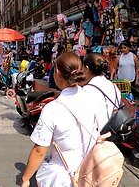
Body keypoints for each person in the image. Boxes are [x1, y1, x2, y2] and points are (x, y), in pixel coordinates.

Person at [20, 52, 98, 187]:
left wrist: (25, 178)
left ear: (56, 72)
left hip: (62, 175)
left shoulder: (53, 109)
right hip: (89, 170)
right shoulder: (92, 98)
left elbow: (39, 151)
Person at [83, 53, 122, 129]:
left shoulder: (87, 90)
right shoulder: (113, 85)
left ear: (87, 68)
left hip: (98, 134)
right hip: (113, 130)